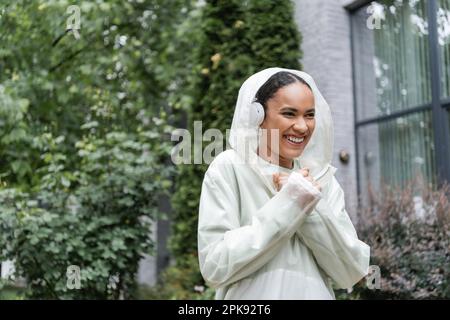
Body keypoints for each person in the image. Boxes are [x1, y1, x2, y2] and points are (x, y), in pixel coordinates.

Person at [197, 67, 370, 299]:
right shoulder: (228, 168)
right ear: (258, 115)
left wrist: (309, 204)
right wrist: (291, 203)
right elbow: (214, 266)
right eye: (289, 113)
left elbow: (350, 271)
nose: (302, 126)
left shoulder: (321, 179)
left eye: (309, 115)